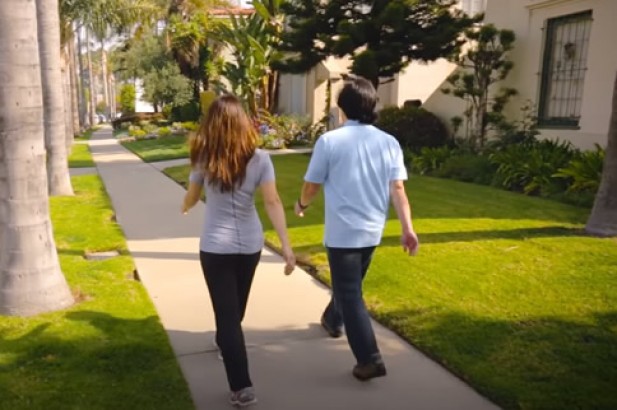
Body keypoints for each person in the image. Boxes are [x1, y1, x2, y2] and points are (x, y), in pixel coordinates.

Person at [294, 75, 419, 381]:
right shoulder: (388, 142)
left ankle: (370, 359)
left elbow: (311, 185)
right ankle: (332, 319)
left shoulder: (330, 141)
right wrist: (407, 228)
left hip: (343, 234)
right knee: (349, 286)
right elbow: (398, 189)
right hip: (372, 231)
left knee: (350, 294)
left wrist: (302, 204)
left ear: (343, 108)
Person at [182, 95, 295, 407]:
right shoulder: (259, 159)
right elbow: (272, 201)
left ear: (212, 124)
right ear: (242, 122)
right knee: (233, 313)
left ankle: (228, 347)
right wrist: (286, 245)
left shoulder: (204, 156)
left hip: (216, 247)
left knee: (230, 316)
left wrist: (186, 205)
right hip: (249, 246)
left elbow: (193, 195)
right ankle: (241, 384)